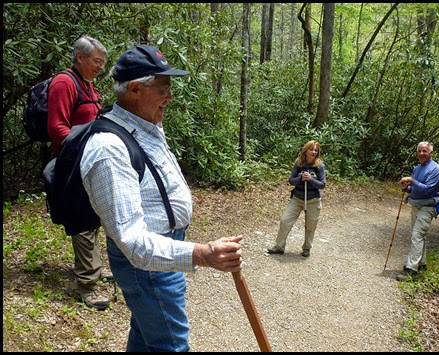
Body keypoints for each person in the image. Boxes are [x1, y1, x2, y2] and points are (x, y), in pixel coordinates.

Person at [79, 44, 243, 352]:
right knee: (170, 344)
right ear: (136, 89)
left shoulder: (145, 124)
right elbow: (131, 241)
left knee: (146, 337)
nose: (170, 97)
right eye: (163, 88)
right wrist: (203, 253)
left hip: (162, 256)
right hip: (147, 267)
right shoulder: (108, 149)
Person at [47, 35, 112, 310]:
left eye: (102, 63)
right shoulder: (65, 83)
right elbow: (57, 128)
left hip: (89, 162)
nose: (100, 67)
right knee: (83, 220)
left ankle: (93, 270)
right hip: (73, 164)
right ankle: (87, 286)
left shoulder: (88, 85)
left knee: (94, 215)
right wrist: (85, 151)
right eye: (96, 62)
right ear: (80, 58)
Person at [267, 140, 326, 257]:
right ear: (306, 150)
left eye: (316, 150)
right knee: (285, 220)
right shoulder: (299, 164)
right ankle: (279, 247)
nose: (314, 152)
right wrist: (300, 179)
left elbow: (322, 184)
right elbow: (291, 181)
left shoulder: (319, 166)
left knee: (311, 225)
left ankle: (306, 248)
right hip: (297, 198)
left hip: (313, 200)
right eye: (311, 149)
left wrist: (310, 179)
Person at [396, 141, 439, 281]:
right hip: (416, 205)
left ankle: (411, 270)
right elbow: (415, 189)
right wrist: (406, 188)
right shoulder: (417, 168)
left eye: (425, 151)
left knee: (417, 235)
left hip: (428, 206)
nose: (422, 153)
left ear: (431, 153)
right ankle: (422, 264)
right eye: (420, 151)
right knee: (418, 235)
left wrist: (412, 180)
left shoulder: (435, 169)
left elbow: (429, 189)